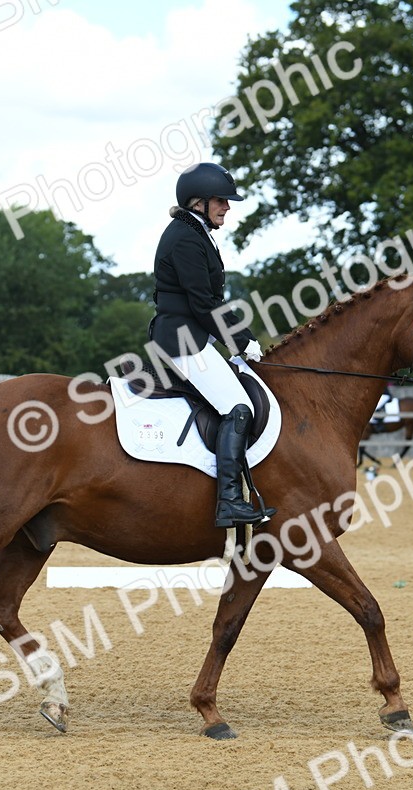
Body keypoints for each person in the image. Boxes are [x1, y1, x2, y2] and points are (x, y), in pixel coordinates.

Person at [148, 162, 276, 529]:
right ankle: (230, 501)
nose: (228, 207)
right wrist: (242, 340)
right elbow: (203, 303)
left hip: (191, 336)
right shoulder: (186, 237)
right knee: (238, 408)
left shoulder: (194, 231)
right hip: (182, 341)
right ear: (199, 202)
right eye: (221, 200)